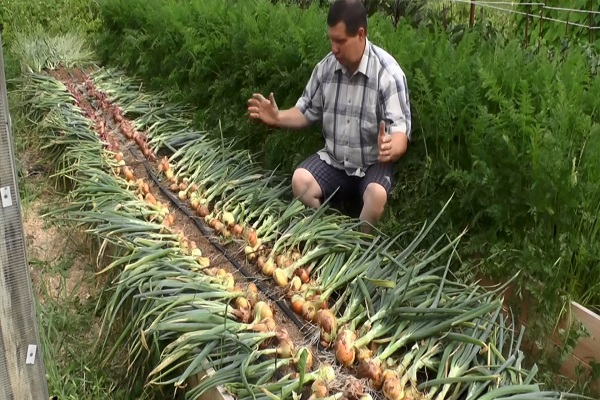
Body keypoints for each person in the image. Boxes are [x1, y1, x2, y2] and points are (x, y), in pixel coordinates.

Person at [247, 0, 411, 233]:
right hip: (335, 162)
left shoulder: (388, 74)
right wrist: (277, 117)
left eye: (341, 41)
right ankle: (328, 231)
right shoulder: (326, 69)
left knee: (376, 196)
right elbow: (306, 111)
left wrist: (391, 147)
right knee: (300, 181)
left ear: (361, 34)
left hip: (373, 163)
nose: (334, 48)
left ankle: (359, 249)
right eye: (331, 39)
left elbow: (400, 135)